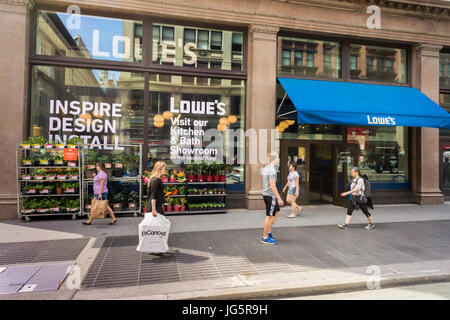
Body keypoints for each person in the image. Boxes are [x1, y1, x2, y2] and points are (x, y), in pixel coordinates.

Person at [83, 161, 117, 225]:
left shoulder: (102, 174)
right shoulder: (100, 173)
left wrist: (100, 194)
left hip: (100, 192)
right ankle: (113, 218)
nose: (96, 167)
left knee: (94, 206)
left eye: (96, 165)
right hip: (100, 192)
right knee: (106, 206)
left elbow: (102, 184)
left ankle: (89, 221)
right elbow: (98, 182)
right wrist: (95, 176)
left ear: (100, 166)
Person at [261, 152, 284, 245]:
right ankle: (265, 237)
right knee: (269, 216)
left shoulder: (266, 167)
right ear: (275, 159)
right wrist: (279, 198)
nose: (278, 159)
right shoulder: (272, 170)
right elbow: (272, 185)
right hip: (270, 195)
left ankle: (268, 231)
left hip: (267, 194)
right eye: (278, 158)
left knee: (277, 211)